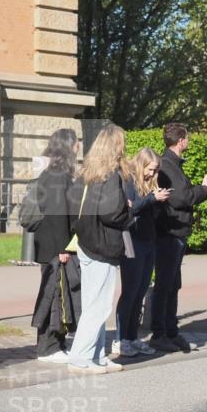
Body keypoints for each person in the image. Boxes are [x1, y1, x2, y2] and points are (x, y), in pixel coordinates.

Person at [151, 123, 207, 353]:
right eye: (188, 137)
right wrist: (206, 187)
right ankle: (160, 332)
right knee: (165, 285)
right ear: (182, 140)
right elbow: (182, 198)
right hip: (169, 233)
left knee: (172, 284)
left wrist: (205, 188)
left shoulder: (172, 164)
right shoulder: (168, 165)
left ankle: (170, 330)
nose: (189, 141)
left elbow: (185, 195)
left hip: (175, 233)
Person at [69, 124, 131, 374]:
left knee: (93, 302)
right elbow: (112, 213)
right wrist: (129, 209)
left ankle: (96, 355)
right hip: (103, 245)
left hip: (86, 242)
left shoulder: (85, 174)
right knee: (99, 305)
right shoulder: (110, 176)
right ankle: (81, 357)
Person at [113, 148, 170, 356]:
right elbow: (129, 210)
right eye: (150, 170)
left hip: (148, 240)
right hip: (131, 240)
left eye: (155, 171)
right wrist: (151, 199)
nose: (151, 174)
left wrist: (160, 201)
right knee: (130, 290)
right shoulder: (128, 182)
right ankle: (120, 339)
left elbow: (148, 211)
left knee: (141, 291)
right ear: (140, 164)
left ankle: (132, 336)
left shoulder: (150, 183)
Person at [30, 129, 80, 364]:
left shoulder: (55, 173)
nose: (79, 148)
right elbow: (57, 215)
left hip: (53, 245)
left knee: (59, 295)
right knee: (53, 295)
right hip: (54, 247)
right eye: (76, 144)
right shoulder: (57, 175)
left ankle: (57, 342)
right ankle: (48, 347)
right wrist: (62, 248)